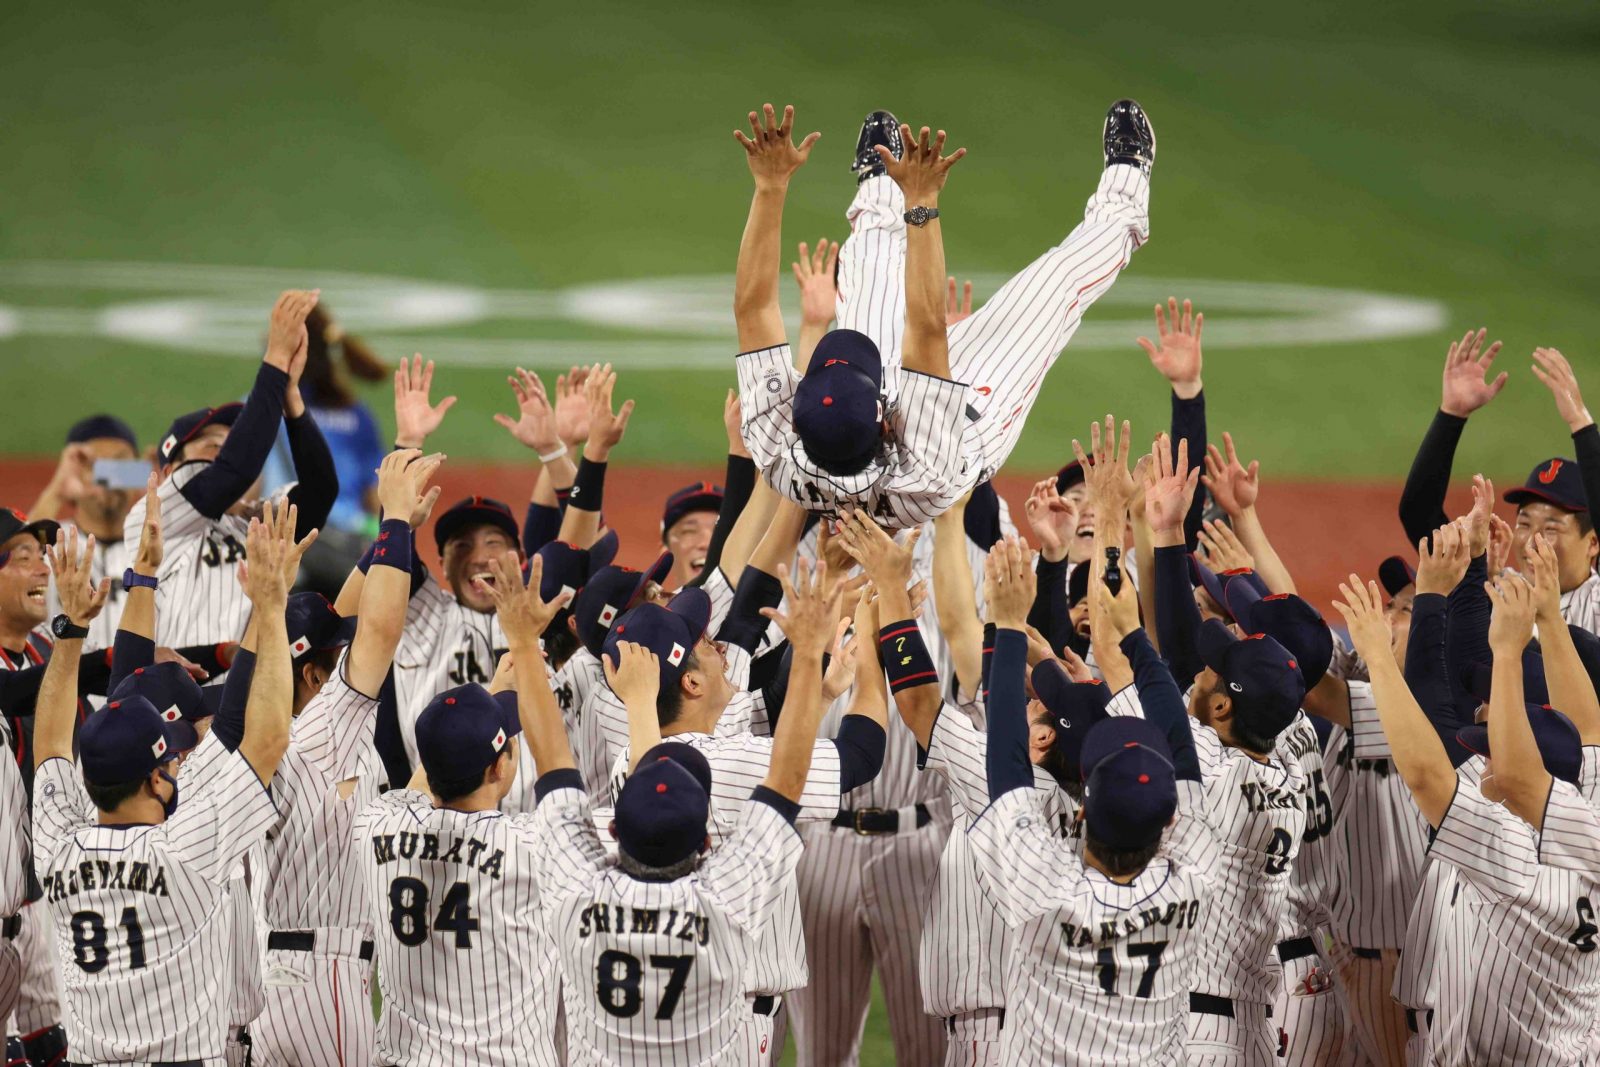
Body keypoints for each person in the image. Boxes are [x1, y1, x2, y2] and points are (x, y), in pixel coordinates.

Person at [732, 101, 1151, 527]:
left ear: (798, 423)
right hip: (965, 428)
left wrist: (769, 185)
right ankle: (1126, 193)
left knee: (868, 268)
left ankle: (881, 185)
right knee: (1054, 288)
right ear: (884, 423)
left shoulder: (774, 443)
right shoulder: (926, 471)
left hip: (867, 436)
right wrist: (921, 201)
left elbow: (752, 307)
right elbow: (927, 327)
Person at [525, 551, 847, 1064]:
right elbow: (813, 771)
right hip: (730, 1020)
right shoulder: (719, 870)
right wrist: (835, 658)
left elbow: (554, 762)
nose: (714, 642)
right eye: (701, 642)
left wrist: (524, 647)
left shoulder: (630, 764)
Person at [29, 503, 301, 1064]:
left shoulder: (58, 846)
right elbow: (267, 736)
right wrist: (271, 609)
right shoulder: (188, 848)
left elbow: (51, 743)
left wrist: (71, 631)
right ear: (155, 779)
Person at [123, 290, 336, 650]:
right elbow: (235, 470)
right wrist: (275, 360)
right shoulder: (155, 513)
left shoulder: (255, 520)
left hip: (243, 697)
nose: (224, 449)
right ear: (172, 466)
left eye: (229, 443)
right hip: (172, 696)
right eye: (211, 445)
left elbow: (321, 492)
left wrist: (292, 402)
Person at [259, 303, 390, 597]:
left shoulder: (263, 408)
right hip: (352, 551)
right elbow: (376, 496)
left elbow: (250, 485)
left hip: (290, 551)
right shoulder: (357, 414)